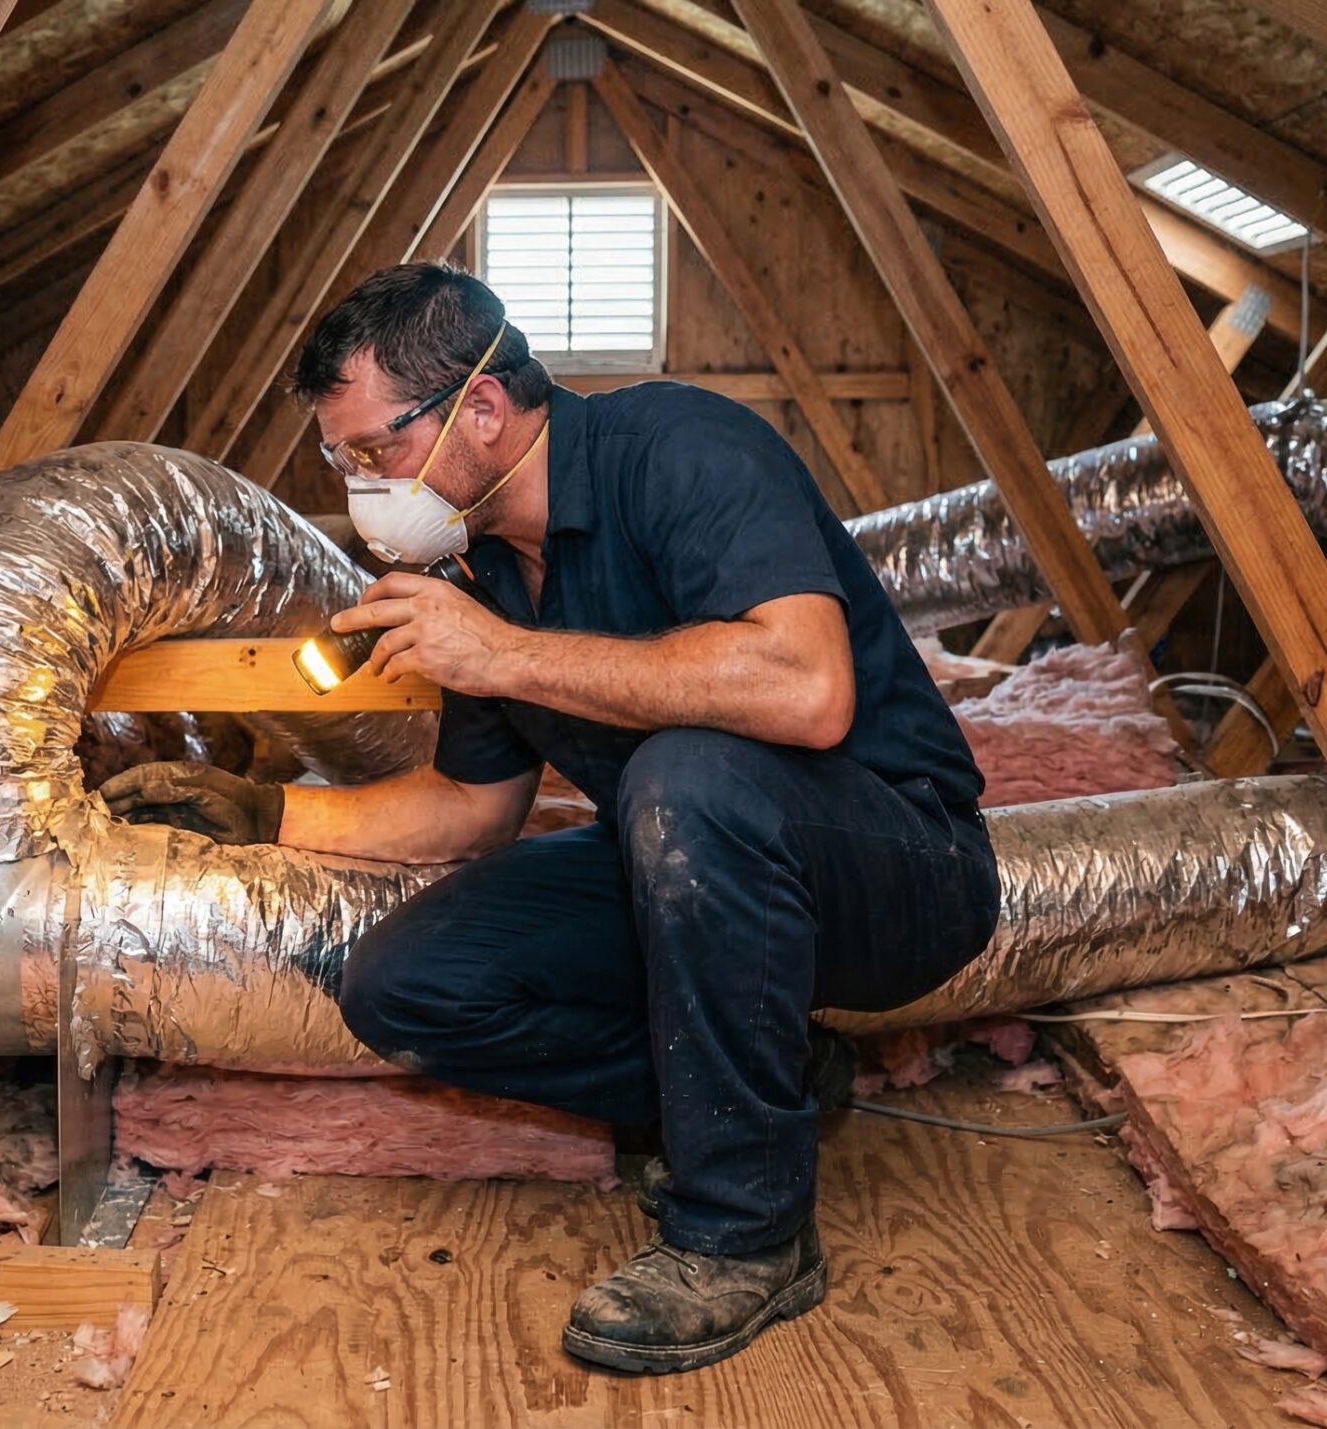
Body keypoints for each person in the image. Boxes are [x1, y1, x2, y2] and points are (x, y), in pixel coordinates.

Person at [101, 263, 999, 1373]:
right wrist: (264, 810)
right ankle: (772, 1080)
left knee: (686, 777)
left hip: (900, 871)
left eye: (374, 450)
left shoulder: (679, 448)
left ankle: (745, 1231)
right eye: (342, 461)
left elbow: (807, 691)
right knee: (405, 982)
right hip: (678, 860)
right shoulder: (475, 576)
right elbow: (468, 810)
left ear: (478, 407)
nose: (362, 484)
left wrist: (509, 656)